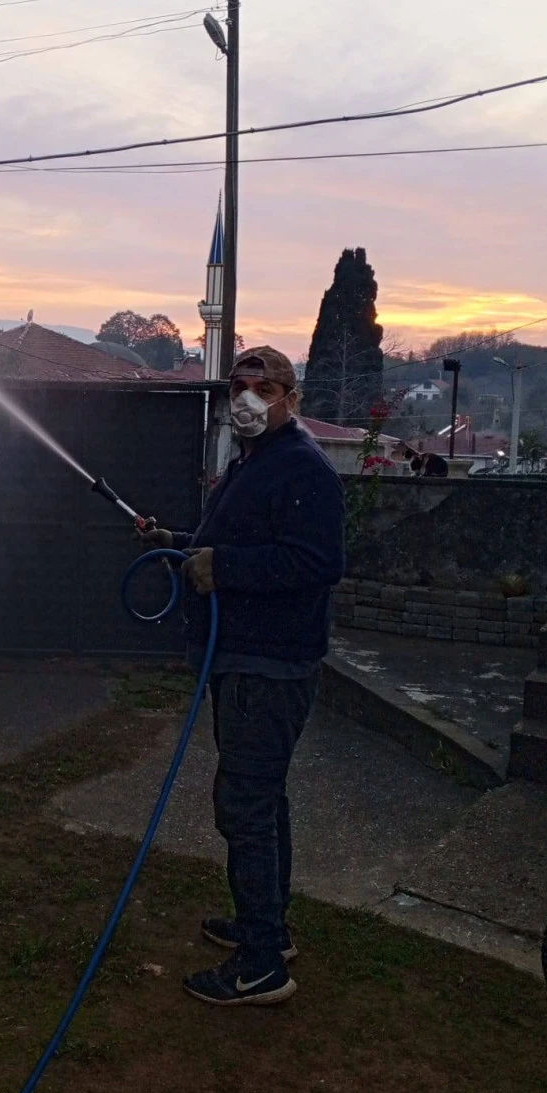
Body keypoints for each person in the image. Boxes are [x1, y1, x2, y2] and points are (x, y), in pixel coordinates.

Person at [142, 346, 345, 1006]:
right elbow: (226, 541)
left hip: (270, 666)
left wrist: (222, 569)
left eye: (264, 386)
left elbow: (314, 564)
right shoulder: (252, 463)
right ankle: (269, 929)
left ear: (292, 397)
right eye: (240, 385)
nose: (249, 397)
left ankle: (261, 965)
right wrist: (173, 540)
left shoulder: (303, 467)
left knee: (246, 805)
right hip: (244, 661)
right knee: (263, 799)